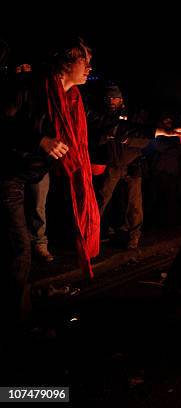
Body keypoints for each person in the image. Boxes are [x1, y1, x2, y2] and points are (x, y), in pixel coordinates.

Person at [0, 36, 97, 329]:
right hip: (7, 174)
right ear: (66, 62)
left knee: (16, 249)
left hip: (29, 175)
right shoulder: (32, 88)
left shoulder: (72, 101)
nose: (89, 68)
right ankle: (15, 324)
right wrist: (39, 139)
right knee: (20, 248)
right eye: (85, 61)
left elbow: (108, 123)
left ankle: (19, 312)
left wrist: (157, 131)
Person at [88, 85, 181, 249]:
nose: (111, 101)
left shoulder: (133, 117)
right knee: (100, 201)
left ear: (121, 100)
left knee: (134, 204)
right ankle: (91, 236)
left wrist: (128, 140)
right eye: (108, 98)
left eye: (114, 98)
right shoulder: (101, 118)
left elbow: (145, 138)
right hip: (112, 165)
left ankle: (134, 237)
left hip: (132, 165)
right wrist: (105, 138)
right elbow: (94, 141)